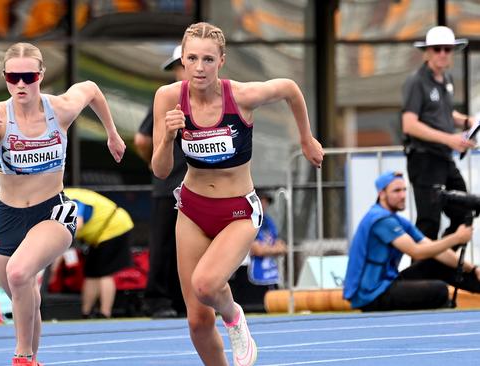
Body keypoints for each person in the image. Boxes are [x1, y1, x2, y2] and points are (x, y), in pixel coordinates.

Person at [151, 22, 323, 366]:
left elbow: (290, 88)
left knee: (206, 284)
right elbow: (159, 169)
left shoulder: (242, 96)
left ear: (221, 61)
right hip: (192, 210)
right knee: (197, 322)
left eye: (208, 59)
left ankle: (233, 317)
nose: (199, 68)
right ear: (182, 61)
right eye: (192, 59)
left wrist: (306, 139)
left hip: (237, 212)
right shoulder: (168, 98)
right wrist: (168, 138)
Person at [0, 42, 125, 366]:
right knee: (25, 298)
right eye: (13, 77)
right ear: (5, 77)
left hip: (53, 211)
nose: (21, 84)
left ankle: (21, 357)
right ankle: (34, 359)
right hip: (8, 215)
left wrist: (112, 134)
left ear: (41, 75)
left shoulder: (59, 109)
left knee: (20, 273)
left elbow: (90, 89)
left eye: (29, 76)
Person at [344, 171, 479, 311]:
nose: (403, 196)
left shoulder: (398, 220)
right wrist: (457, 238)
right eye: (396, 191)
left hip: (387, 284)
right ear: (381, 194)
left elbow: (434, 250)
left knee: (436, 263)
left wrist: (474, 269)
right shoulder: (380, 219)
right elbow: (416, 252)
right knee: (439, 290)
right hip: (372, 294)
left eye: (404, 190)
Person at [402, 26, 476, 247]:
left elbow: (441, 113)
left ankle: (440, 264)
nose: (442, 53)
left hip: (443, 159)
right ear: (427, 52)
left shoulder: (446, 79)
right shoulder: (416, 81)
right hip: (425, 159)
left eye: (447, 49)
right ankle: (421, 274)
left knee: (465, 212)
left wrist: (466, 121)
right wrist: (450, 139)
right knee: (429, 222)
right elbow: (409, 124)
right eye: (437, 49)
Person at [134, 45, 186, 318]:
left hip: (202, 186)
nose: (180, 72)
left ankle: (184, 301)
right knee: (166, 244)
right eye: (178, 66)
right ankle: (158, 301)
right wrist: (156, 163)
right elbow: (142, 140)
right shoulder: (167, 99)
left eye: (182, 64)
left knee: (192, 245)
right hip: (170, 184)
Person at [62, 187, 133, 319]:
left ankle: (105, 313)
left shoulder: (68, 198)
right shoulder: (61, 197)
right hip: (99, 235)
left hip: (114, 227)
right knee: (91, 273)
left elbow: (78, 223)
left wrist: (58, 246)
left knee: (105, 272)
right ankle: (85, 313)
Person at [247, 192, 287, 291]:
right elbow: (256, 250)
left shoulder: (268, 221)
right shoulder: (249, 220)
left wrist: (267, 249)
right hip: (253, 278)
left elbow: (282, 247)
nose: (264, 205)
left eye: (266, 202)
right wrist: (273, 249)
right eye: (261, 201)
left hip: (271, 275)